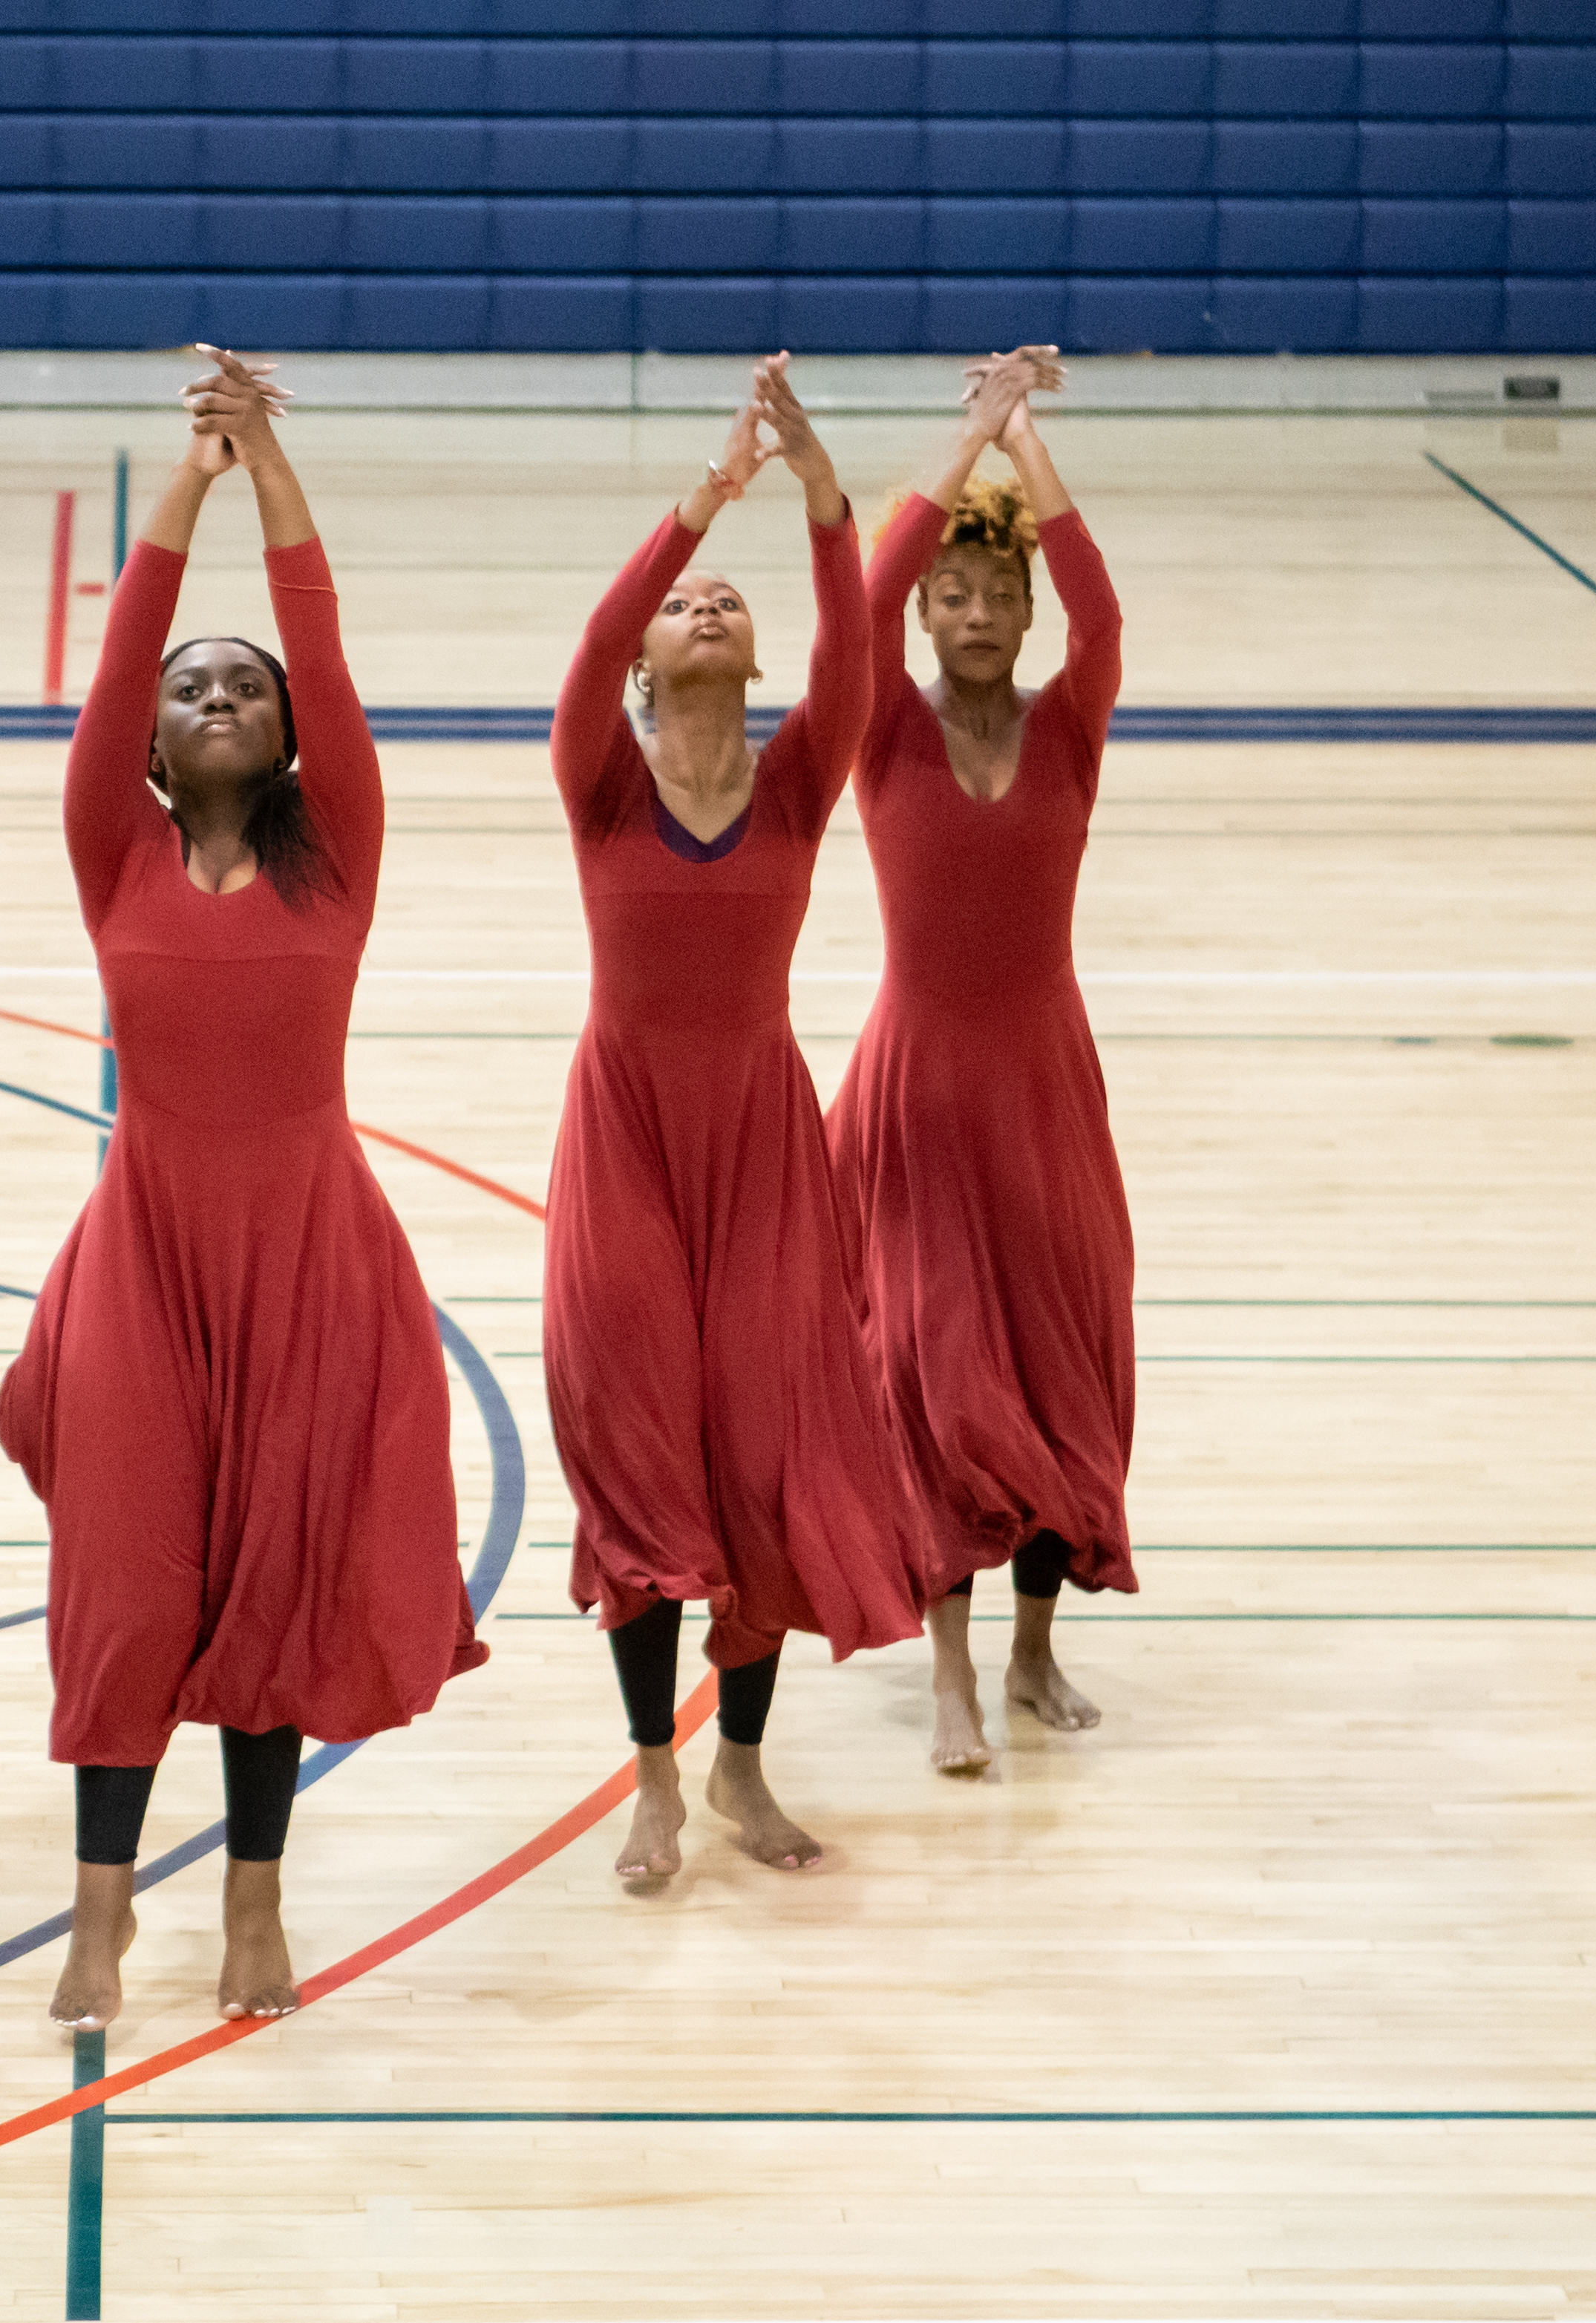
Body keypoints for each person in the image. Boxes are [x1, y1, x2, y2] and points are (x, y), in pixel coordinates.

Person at [0, 348, 488, 2036]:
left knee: (269, 1583)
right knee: (128, 1582)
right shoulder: (109, 844)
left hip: (307, 1254)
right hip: (143, 1258)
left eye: (243, 685)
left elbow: (325, 644)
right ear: (145, 738)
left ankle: (258, 1900)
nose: (213, 692)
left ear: (283, 741)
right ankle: (99, 1913)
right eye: (189, 686)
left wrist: (266, 462)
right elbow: (124, 651)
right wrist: (183, 483)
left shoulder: (333, 842)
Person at [542, 353, 928, 1883]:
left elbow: (858, 637)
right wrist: (704, 500)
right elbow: (582, 644)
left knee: (766, 1459)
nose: (712, 607)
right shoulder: (599, 782)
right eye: (687, 601)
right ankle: (652, 1774)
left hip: (769, 1145)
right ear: (647, 660)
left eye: (731, 602)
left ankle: (741, 1770)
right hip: (626, 1142)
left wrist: (823, 491)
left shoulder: (796, 787)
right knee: (639, 1460)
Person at [828, 350, 1134, 1775]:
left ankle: (1030, 1647)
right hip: (917, 1096)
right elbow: (865, 590)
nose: (970, 613)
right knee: (936, 1372)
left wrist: (1030, 451)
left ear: (1022, 611)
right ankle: (948, 1666)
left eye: (995, 595)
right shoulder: (880, 728)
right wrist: (968, 444)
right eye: (951, 596)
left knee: (1056, 1365)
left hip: (1045, 1091)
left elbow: (1104, 605)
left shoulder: (1069, 726)